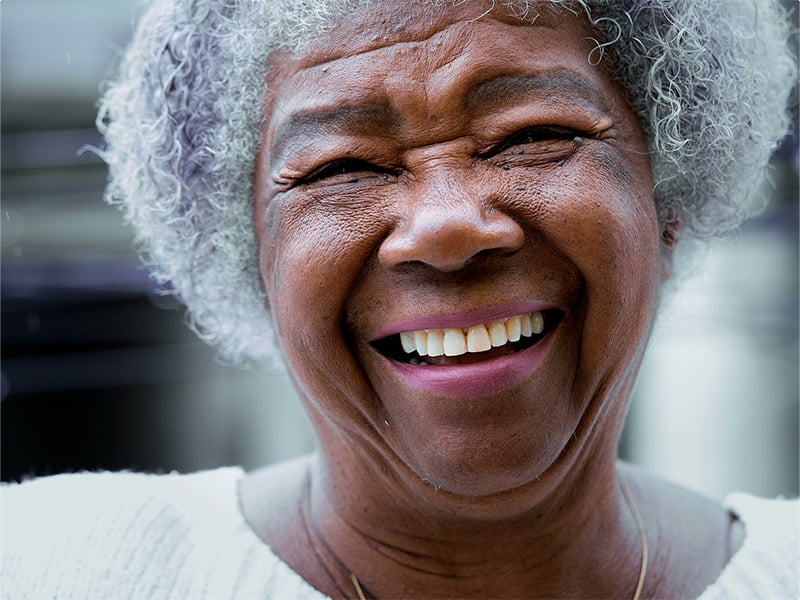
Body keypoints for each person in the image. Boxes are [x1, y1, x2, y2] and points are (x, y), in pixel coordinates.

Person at [2, 0, 797, 598]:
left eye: (529, 135)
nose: (447, 227)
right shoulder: (57, 567)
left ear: (668, 197)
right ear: (249, 254)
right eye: (341, 168)